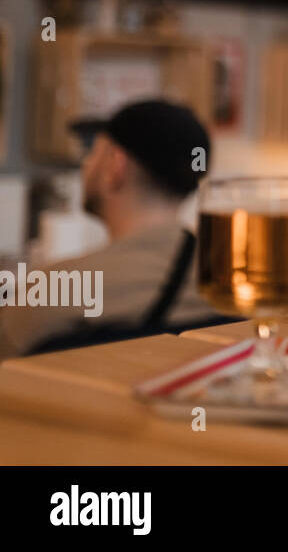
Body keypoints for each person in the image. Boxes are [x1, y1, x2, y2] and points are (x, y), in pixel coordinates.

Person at [0, 99, 235, 360]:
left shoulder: (53, 290)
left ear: (115, 167)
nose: (86, 164)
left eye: (92, 152)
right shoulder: (233, 279)